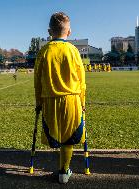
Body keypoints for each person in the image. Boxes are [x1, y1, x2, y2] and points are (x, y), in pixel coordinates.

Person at [34, 12, 86, 184]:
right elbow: (82, 81)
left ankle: (63, 169)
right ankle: (64, 171)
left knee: (56, 135)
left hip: (50, 100)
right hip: (72, 99)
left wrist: (38, 102)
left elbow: (37, 81)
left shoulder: (43, 51)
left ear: (49, 31)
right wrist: (83, 102)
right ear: (69, 32)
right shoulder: (73, 51)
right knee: (69, 137)